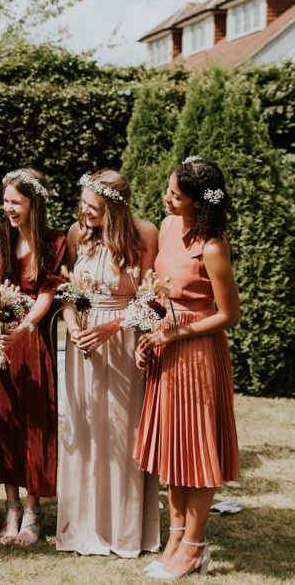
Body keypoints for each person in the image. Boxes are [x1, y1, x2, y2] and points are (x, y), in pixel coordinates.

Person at [136, 158, 239, 580]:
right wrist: (148, 332)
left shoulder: (213, 246)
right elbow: (159, 289)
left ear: (199, 202)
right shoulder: (167, 226)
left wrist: (176, 334)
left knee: (196, 452)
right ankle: (175, 539)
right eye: (169, 189)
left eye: (176, 195)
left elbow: (229, 314)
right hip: (165, 346)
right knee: (174, 449)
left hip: (196, 354)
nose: (167, 197)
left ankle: (194, 547)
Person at [56, 169, 161, 558]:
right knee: (84, 431)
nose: (84, 213)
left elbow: (151, 299)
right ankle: (81, 526)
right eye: (82, 205)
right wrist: (71, 327)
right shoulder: (75, 233)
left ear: (115, 208)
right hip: (82, 343)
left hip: (122, 343)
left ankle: (123, 530)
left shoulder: (145, 234)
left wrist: (112, 327)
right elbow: (67, 293)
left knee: (121, 431)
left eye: (93, 208)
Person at [0, 168, 66, 546]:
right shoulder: (0, 238)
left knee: (34, 422)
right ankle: (12, 506)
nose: (8, 209)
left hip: (33, 341)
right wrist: (3, 328)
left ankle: (34, 510)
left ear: (34, 203)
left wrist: (23, 327)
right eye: (5, 202)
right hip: (0, 338)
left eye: (15, 202)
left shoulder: (54, 241)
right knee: (5, 421)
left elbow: (48, 294)